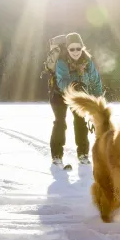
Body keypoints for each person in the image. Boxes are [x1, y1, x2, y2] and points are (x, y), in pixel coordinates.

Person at [48, 32, 104, 168]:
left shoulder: (87, 61)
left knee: (80, 121)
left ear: (82, 48)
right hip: (59, 94)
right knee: (60, 122)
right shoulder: (61, 61)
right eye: (71, 49)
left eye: (78, 48)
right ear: (67, 49)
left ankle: (83, 154)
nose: (75, 52)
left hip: (79, 94)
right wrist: (75, 86)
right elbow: (62, 82)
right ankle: (57, 155)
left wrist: (97, 101)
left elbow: (95, 81)